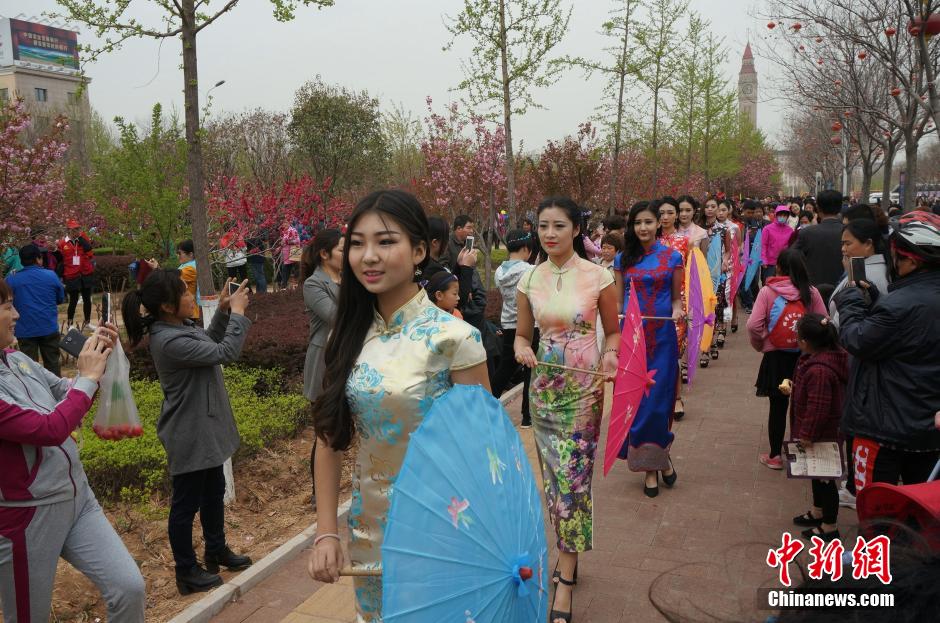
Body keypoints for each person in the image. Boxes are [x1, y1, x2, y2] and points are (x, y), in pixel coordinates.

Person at [307, 190, 488, 622]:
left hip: (444, 530)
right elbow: (329, 440)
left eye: (386, 241)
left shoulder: (455, 339)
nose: (369, 256)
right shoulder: (347, 336)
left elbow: (484, 456)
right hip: (370, 531)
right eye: (357, 242)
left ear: (420, 250)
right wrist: (326, 533)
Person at [0, 279, 146, 622]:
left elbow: (68, 393)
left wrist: (98, 358)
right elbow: (48, 430)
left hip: (78, 498)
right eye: (8, 307)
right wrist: (87, 379)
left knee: (129, 588)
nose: (17, 314)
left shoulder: (16, 359)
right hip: (28, 516)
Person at [514, 196, 619, 623]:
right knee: (552, 480)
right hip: (544, 391)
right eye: (543, 226)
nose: (550, 234)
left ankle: (568, 568)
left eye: (559, 225)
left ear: (576, 229)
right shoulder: (529, 280)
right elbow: (522, 336)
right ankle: (566, 547)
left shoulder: (600, 276)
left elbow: (612, 333)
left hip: (583, 391)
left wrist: (610, 356)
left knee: (573, 477)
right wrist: (522, 350)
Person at [122, 270, 254, 594]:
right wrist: (237, 314)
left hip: (204, 425)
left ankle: (216, 549)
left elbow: (209, 343)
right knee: (185, 505)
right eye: (183, 293)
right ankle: (186, 571)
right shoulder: (168, 341)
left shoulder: (179, 328)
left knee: (213, 490)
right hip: (190, 430)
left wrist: (222, 312)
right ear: (167, 306)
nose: (189, 297)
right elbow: (225, 352)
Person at [834, 211, 940, 492]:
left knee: (876, 512)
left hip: (885, 426)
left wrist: (852, 300)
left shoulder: (900, 305)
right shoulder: (905, 301)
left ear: (912, 261)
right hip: (927, 428)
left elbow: (856, 339)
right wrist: (878, 301)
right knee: (918, 508)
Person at [614, 201, 683, 496]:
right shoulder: (622, 258)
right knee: (639, 403)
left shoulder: (673, 257)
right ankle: (654, 465)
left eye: (648, 222)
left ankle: (656, 464)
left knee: (659, 400)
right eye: (637, 223)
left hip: (663, 337)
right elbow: (618, 302)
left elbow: (678, 299)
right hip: (633, 339)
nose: (642, 228)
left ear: (659, 224)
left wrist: (679, 311)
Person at [747, 248, 827, 470]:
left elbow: (753, 325)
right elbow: (825, 321)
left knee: (778, 406)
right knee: (803, 405)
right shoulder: (811, 292)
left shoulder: (768, 291)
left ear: (779, 267)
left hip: (776, 358)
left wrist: (763, 344)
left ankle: (775, 456)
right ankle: (801, 454)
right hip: (805, 358)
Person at [783, 314, 848, 543]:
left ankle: (829, 526)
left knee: (826, 479)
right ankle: (817, 511)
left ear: (806, 342)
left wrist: (807, 435)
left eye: (798, 337)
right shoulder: (816, 360)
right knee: (816, 474)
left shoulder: (819, 370)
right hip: (818, 432)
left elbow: (819, 407)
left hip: (822, 435)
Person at [300, 228, 343, 512]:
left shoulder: (349, 278)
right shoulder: (314, 284)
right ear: (324, 254)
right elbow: (334, 315)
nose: (347, 254)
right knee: (325, 430)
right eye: (342, 249)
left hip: (348, 354)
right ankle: (320, 491)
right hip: (325, 360)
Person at [491, 228, 537, 426]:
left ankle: (486, 405)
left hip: (509, 324)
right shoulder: (530, 271)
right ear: (526, 249)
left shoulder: (499, 272)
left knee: (505, 367)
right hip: (529, 326)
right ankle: (527, 416)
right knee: (531, 370)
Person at [5, 244, 65, 376]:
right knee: (53, 364)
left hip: (25, 330)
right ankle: (57, 393)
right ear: (38, 258)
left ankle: (35, 394)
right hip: (48, 327)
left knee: (29, 369)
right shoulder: (51, 275)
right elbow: (60, 298)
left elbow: (6, 302)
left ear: (21, 261)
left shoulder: (11, 280)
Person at [656, 196, 690, 413]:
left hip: (679, 301)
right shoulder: (649, 242)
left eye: (670, 212)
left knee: (674, 351)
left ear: (676, 215)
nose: (665, 217)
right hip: (654, 302)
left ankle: (677, 397)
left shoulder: (686, 242)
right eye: (661, 213)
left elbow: (695, 276)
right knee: (655, 350)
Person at [828, 219, 890, 328]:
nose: (843, 249)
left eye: (848, 244)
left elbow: (843, 322)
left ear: (868, 244)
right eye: (842, 244)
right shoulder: (881, 267)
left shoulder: (864, 277)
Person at [793, 189, 844, 300]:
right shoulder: (849, 232)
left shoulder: (807, 233)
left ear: (818, 208)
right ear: (840, 208)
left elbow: (792, 258)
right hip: (843, 291)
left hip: (813, 291)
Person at [58, 219, 95, 329]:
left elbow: (90, 253)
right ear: (68, 230)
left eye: (78, 228)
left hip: (85, 273)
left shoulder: (83, 238)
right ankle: (70, 324)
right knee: (73, 301)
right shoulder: (62, 243)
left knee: (87, 299)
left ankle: (87, 322)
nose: (77, 231)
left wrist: (82, 240)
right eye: (74, 229)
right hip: (71, 275)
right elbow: (60, 260)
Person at [760, 205, 797, 282]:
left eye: (785, 215)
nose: (782, 217)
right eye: (780, 215)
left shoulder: (790, 230)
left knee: (783, 284)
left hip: (784, 263)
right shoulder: (767, 229)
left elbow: (791, 246)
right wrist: (763, 259)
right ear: (776, 215)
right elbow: (763, 245)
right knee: (769, 283)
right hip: (769, 263)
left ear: (787, 217)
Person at [176, 239, 200, 321]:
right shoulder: (186, 265)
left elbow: (171, 278)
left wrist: (156, 268)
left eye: (180, 253)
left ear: (190, 254)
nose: (178, 256)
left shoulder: (190, 268)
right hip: (186, 307)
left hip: (189, 309)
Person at [277, 221, 301, 291]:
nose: (284, 224)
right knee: (285, 269)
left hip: (294, 251)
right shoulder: (284, 232)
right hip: (286, 253)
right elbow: (283, 242)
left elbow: (297, 240)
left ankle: (298, 285)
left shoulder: (293, 230)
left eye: (286, 223)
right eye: (283, 223)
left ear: (289, 223)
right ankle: (284, 286)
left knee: (296, 269)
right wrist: (281, 244)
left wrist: (287, 242)